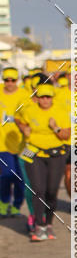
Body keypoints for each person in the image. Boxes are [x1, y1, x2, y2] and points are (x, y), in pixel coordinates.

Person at [15, 83, 70, 241]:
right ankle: (39, 226)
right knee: (38, 189)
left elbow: (66, 135)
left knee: (51, 191)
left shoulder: (60, 112)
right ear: (37, 98)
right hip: (34, 153)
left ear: (52, 98)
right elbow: (19, 119)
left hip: (55, 154)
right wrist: (23, 128)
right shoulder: (30, 110)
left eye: (48, 97)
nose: (45, 100)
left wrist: (56, 128)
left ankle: (49, 222)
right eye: (42, 97)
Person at [0, 67, 25, 217]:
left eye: (13, 80)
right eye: (6, 80)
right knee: (6, 175)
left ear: (17, 81)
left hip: (22, 145)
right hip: (2, 144)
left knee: (20, 177)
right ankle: (3, 203)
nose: (9, 83)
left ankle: (16, 205)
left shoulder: (25, 95)